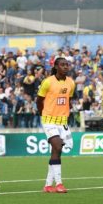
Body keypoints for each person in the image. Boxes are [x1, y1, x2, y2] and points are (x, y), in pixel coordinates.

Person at [36, 57, 75, 193]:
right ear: (56, 67)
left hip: (62, 121)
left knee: (56, 151)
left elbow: (68, 100)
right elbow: (39, 100)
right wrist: (43, 114)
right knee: (57, 146)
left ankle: (48, 185)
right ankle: (59, 184)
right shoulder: (48, 82)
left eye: (67, 65)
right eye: (62, 65)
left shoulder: (71, 83)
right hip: (49, 120)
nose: (65, 67)